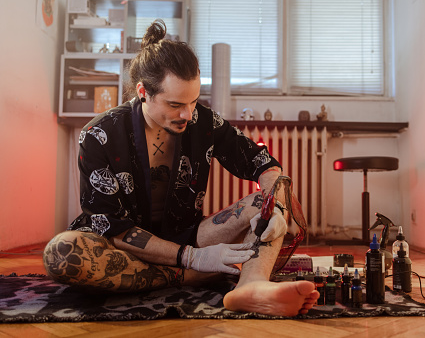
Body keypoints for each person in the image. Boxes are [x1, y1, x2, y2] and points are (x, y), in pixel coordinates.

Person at [43, 19, 319, 317]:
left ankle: (250, 286)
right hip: (126, 248)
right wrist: (192, 260)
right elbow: (110, 225)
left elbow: (262, 162)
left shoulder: (202, 120)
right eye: (175, 104)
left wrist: (276, 206)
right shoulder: (99, 135)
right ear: (143, 92)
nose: (188, 114)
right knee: (62, 254)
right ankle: (192, 275)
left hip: (189, 235)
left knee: (262, 202)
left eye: (194, 101)